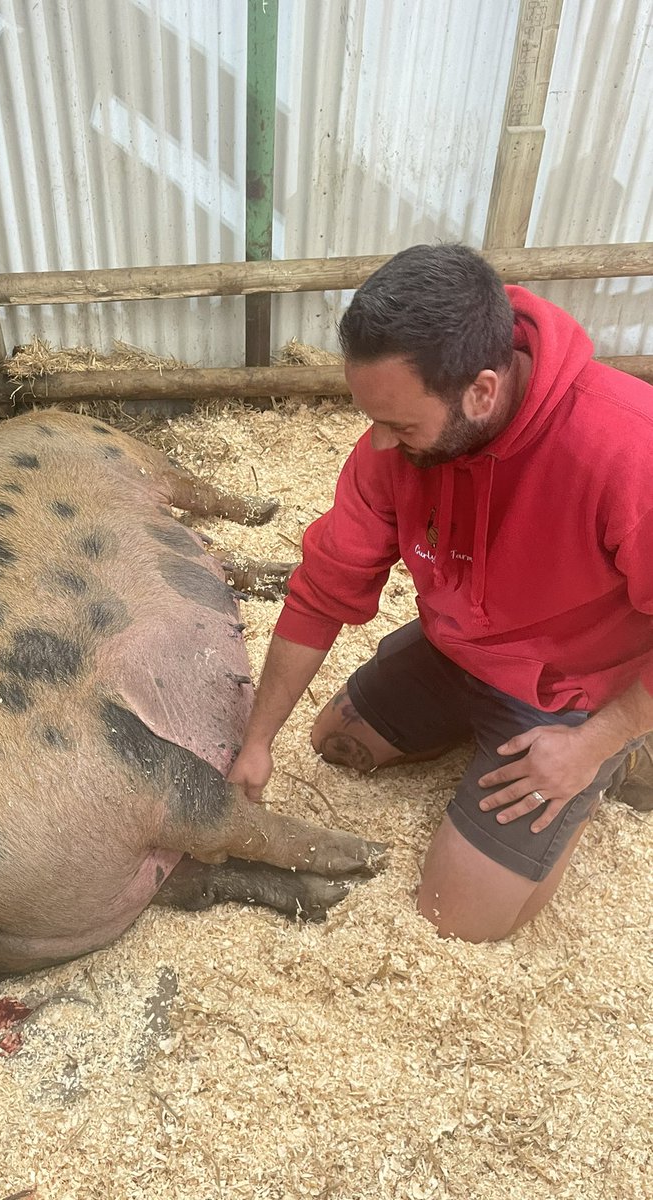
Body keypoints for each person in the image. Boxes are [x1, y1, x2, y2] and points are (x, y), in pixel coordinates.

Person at [228, 243, 653, 943]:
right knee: (335, 742)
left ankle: (613, 761)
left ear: (481, 392)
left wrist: (595, 741)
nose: (380, 445)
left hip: (571, 690)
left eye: (400, 424)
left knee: (456, 925)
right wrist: (257, 741)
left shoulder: (628, 450)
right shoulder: (400, 447)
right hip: (462, 650)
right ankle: (484, 728)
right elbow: (323, 591)